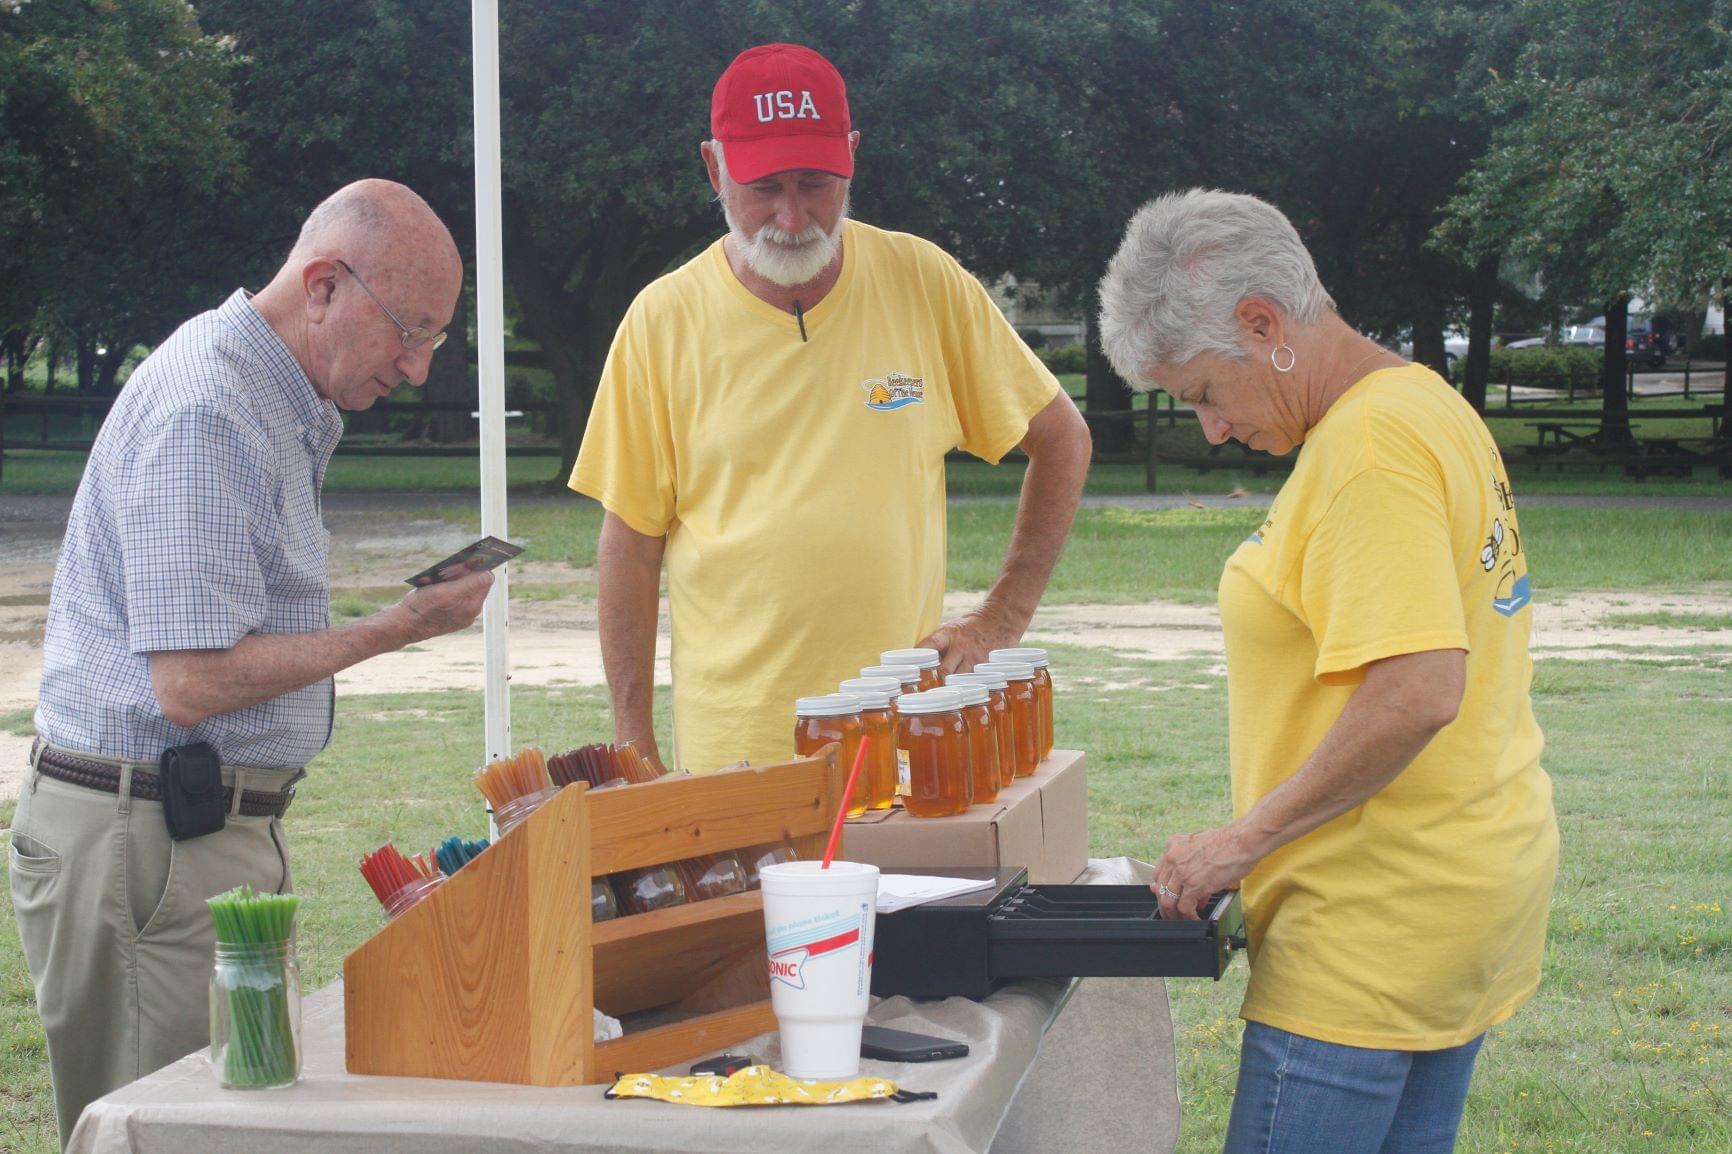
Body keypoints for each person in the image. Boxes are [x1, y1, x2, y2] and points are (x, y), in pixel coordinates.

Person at [10, 179, 494, 1146]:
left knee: (229, 1125)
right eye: (409, 330)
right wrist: (395, 628)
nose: (417, 366)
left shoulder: (269, 394)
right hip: (147, 837)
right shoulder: (213, 410)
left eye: (436, 337)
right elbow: (188, 682)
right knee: (170, 1132)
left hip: (174, 830)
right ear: (322, 287)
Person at [1098, 189, 1558, 1153]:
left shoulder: (1367, 448)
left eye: (1202, 393)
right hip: (1459, 884)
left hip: (1372, 923)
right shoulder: (1420, 401)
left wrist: (1243, 840)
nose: (1211, 430)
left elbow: (1418, 690)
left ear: (1262, 325)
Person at [570, 43, 1092, 774]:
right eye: (764, 187)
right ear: (714, 168)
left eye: (816, 183)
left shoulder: (924, 282)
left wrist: (1001, 618)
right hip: (738, 755)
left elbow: (1062, 438)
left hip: (909, 744)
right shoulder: (662, 321)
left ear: (851, 156)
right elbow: (629, 543)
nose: (793, 215)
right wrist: (633, 740)